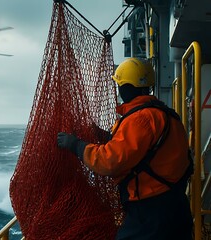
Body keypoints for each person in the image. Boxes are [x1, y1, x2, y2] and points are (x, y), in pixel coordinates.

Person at [57, 57, 193, 240]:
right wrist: (100, 135)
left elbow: (109, 162)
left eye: (120, 85)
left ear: (127, 87)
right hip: (175, 205)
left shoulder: (140, 119)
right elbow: (139, 150)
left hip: (151, 213)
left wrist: (75, 145)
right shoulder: (165, 115)